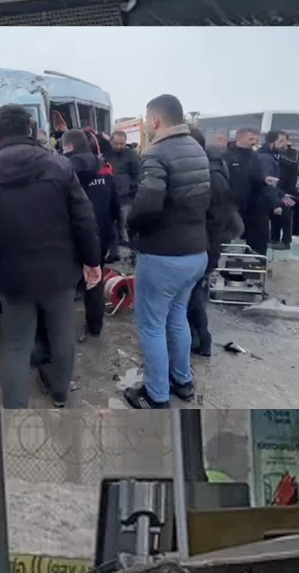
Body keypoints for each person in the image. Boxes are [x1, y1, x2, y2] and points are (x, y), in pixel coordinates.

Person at [0, 104, 102, 409]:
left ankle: (14, 413)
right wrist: (92, 261)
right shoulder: (60, 166)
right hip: (60, 273)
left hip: (15, 276)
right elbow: (84, 219)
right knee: (62, 334)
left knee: (16, 345)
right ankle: (61, 394)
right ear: (29, 130)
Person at [122, 94, 211, 409]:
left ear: (156, 121)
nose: (147, 125)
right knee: (177, 318)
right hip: (195, 253)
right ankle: (182, 381)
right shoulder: (197, 149)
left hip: (164, 256)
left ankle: (156, 395)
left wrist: (129, 223)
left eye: (148, 120)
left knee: (151, 325)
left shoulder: (157, 153)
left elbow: (148, 205)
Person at [188, 126, 243, 357]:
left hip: (204, 246)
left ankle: (200, 342)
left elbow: (213, 217)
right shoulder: (214, 170)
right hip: (208, 245)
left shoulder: (209, 176)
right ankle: (198, 341)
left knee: (193, 298)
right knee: (195, 296)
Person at [60, 127, 120, 337]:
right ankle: (95, 326)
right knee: (95, 279)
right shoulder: (105, 167)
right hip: (101, 234)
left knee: (65, 284)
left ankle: (61, 333)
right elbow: (115, 205)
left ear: (68, 147)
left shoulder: (64, 169)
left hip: (73, 235)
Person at [225, 127, 279, 256]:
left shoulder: (254, 155)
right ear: (239, 138)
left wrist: (264, 180)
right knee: (229, 236)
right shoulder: (226, 155)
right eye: (251, 139)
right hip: (232, 203)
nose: (254, 142)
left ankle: (255, 262)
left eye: (256, 139)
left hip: (253, 202)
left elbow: (254, 175)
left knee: (258, 234)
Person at [104, 130, 139, 260]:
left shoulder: (132, 156)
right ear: (111, 142)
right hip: (111, 195)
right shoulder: (106, 155)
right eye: (116, 143)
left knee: (127, 226)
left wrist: (134, 192)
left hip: (127, 196)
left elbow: (137, 176)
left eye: (122, 144)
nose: (119, 146)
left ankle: (133, 253)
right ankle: (114, 253)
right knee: (112, 226)